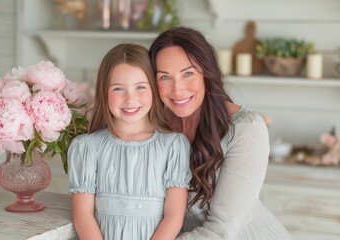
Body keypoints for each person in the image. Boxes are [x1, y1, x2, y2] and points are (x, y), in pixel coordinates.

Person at [149, 27, 293, 240]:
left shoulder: (246, 129)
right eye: (164, 77)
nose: (177, 89)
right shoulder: (155, 128)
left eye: (188, 73)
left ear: (207, 73)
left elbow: (219, 230)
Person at [68, 43, 192, 240]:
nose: (130, 98)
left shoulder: (173, 146)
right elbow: (83, 216)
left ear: (154, 89)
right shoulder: (88, 148)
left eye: (141, 87)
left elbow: (174, 215)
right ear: (104, 92)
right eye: (118, 89)